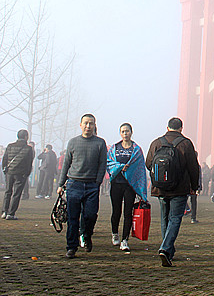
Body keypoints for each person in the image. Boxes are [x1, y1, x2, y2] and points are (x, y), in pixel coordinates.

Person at [145, 117, 199, 267]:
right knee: (175, 218)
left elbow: (148, 163)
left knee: (165, 219)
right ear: (181, 128)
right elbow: (193, 167)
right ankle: (165, 248)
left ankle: (168, 249)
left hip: (160, 188)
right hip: (180, 189)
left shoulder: (157, 142)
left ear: (167, 127)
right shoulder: (186, 144)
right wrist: (194, 186)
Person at [57, 114, 107, 258]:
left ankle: (87, 235)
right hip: (74, 183)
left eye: (91, 123)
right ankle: (71, 247)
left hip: (92, 185)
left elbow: (102, 164)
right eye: (85, 123)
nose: (88, 126)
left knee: (90, 215)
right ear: (80, 125)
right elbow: (66, 164)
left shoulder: (100, 143)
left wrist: (98, 181)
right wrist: (61, 184)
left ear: (94, 125)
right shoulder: (73, 142)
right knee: (73, 217)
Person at [106, 123, 148, 251]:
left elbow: (140, 167)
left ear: (131, 132)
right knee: (116, 211)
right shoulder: (114, 148)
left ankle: (125, 240)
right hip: (116, 184)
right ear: (120, 133)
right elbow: (109, 163)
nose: (125, 134)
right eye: (123, 131)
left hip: (129, 186)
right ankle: (115, 234)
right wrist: (120, 167)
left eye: (127, 131)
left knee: (128, 213)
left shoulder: (136, 149)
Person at [2, 130, 34, 220]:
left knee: (8, 192)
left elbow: (5, 159)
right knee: (17, 193)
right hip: (21, 174)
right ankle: (11, 213)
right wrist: (27, 174)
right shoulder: (28, 148)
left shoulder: (10, 146)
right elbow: (29, 163)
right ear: (25, 137)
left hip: (9, 172)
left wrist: (5, 170)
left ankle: (4, 211)